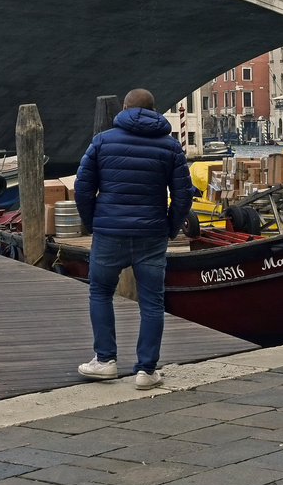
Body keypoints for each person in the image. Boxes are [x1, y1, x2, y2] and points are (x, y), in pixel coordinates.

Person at [74, 89, 194, 390]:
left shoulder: (102, 141)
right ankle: (146, 371)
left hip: (109, 233)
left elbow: (82, 189)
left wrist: (92, 222)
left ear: (124, 109)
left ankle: (104, 361)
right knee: (152, 302)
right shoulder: (170, 146)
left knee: (100, 293)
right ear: (154, 110)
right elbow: (183, 195)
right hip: (151, 234)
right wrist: (170, 227)